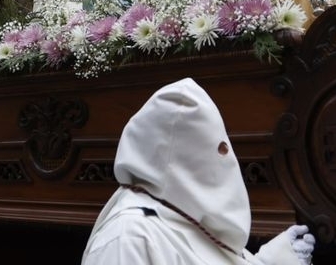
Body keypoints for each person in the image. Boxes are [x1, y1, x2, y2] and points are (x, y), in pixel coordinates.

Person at [81, 78, 315, 264]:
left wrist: (274, 259)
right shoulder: (129, 238)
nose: (223, 160)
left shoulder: (179, 212)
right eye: (215, 149)